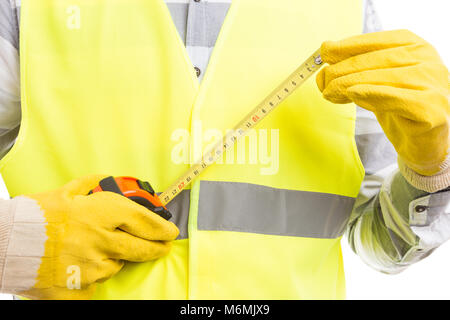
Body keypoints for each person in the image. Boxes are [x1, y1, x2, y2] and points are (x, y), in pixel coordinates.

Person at [0, 0, 448, 300]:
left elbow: (381, 244)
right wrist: (15, 242)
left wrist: (431, 169)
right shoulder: (29, 7)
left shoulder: (343, 9)